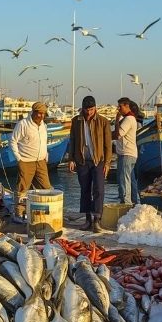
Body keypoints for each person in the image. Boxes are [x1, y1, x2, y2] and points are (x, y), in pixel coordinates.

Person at [68, 95, 112, 232]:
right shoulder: (76, 121)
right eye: (87, 110)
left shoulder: (103, 122)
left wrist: (108, 163)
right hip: (82, 161)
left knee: (99, 189)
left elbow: (108, 144)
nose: (89, 112)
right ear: (83, 108)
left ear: (95, 108)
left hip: (98, 160)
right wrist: (71, 159)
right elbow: (73, 140)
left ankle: (97, 220)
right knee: (85, 190)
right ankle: (87, 220)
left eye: (92, 109)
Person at [10, 102, 51, 219]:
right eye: (39, 113)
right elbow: (13, 141)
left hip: (41, 161)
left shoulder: (43, 125)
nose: (42, 116)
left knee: (45, 187)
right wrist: (19, 159)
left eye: (44, 114)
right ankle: (20, 213)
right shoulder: (23, 124)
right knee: (22, 188)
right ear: (33, 112)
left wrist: (46, 155)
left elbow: (43, 141)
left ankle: (42, 212)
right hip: (26, 161)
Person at [114, 98, 139, 205]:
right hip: (131, 154)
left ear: (127, 106)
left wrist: (116, 120)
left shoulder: (128, 119)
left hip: (126, 154)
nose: (118, 108)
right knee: (130, 179)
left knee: (124, 180)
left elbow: (118, 134)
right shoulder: (130, 119)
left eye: (120, 106)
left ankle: (126, 204)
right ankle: (134, 203)